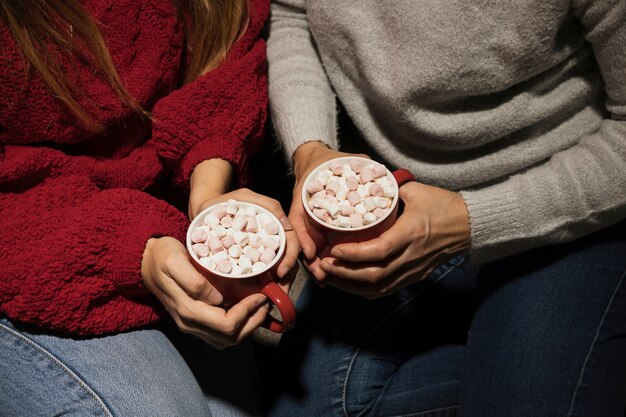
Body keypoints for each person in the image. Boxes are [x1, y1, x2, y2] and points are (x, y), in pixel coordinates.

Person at [265, 0, 626, 416]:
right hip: (395, 191)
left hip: (567, 194)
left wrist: (464, 221)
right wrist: (310, 149)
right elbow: (291, 15)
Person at [0, 0, 299, 416]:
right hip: (27, 239)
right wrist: (128, 243)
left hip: (166, 220)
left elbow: (225, 47)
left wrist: (208, 187)